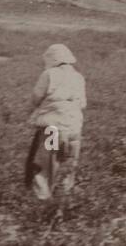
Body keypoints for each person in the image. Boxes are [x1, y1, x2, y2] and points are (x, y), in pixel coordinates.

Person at [25, 43, 86, 214]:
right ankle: (65, 205)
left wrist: (33, 112)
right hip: (74, 129)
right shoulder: (79, 77)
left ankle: (42, 207)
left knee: (47, 166)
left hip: (53, 129)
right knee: (69, 164)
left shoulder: (49, 74)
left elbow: (36, 97)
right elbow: (83, 104)